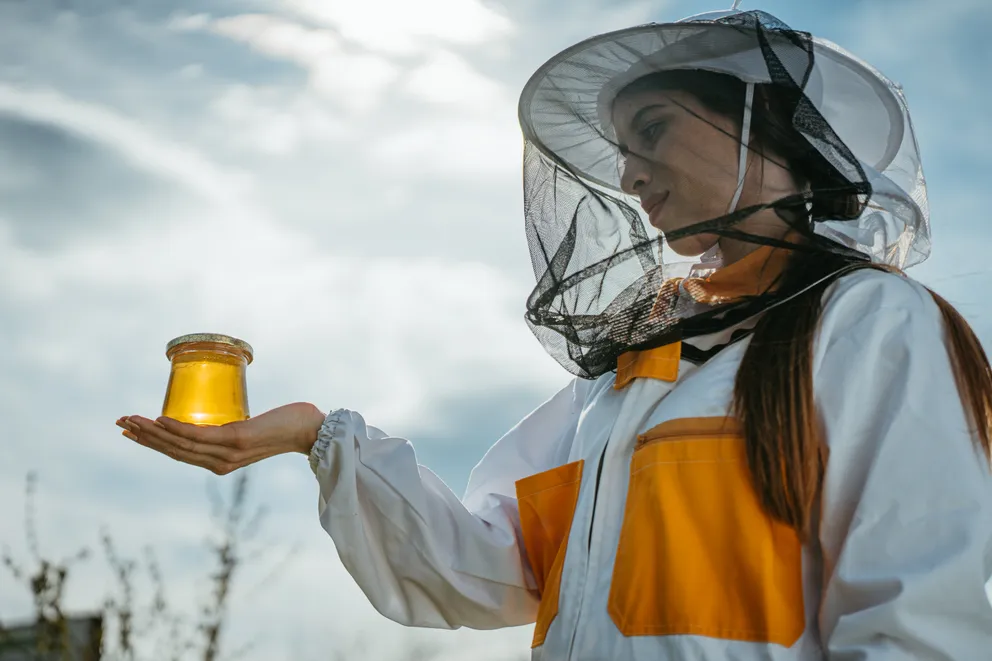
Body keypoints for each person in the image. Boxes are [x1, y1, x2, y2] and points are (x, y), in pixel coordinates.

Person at [117, 8, 992, 660]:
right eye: (619, 146)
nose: (626, 173)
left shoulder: (870, 323)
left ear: (761, 125)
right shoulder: (629, 375)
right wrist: (318, 436)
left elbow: (913, 621)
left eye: (651, 129)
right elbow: (489, 569)